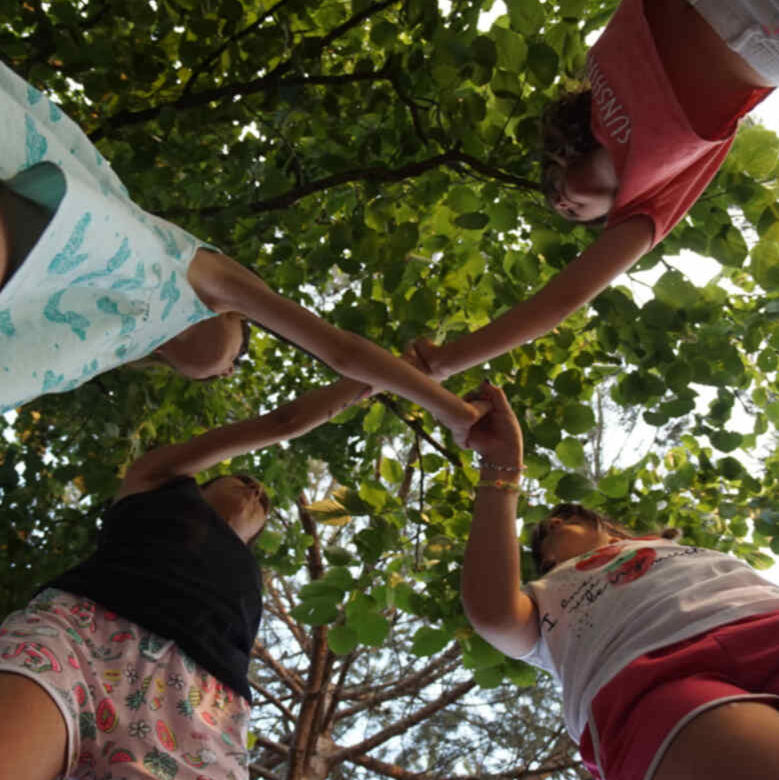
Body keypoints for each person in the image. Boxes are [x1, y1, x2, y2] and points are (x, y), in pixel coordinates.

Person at [0, 61, 483, 445]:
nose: (230, 369)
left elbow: (291, 421)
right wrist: (453, 411)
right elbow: (342, 352)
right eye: (239, 351)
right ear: (234, 312)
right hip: (36, 235)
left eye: (222, 375)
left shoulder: (113, 346)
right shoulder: (203, 280)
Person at [0, 374, 374, 780]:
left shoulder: (250, 577)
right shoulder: (152, 483)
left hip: (200, 703)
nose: (255, 490)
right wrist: (375, 379)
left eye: (264, 503)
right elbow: (283, 422)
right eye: (244, 480)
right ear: (201, 485)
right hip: (81, 636)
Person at [411, 0, 778, 380]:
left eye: (553, 185)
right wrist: (446, 362)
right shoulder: (644, 203)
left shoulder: (594, 100)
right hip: (760, 33)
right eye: (572, 213)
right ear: (608, 213)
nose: (560, 201)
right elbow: (559, 302)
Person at [459, 381, 779, 780]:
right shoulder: (544, 597)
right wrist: (501, 467)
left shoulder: (665, 545)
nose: (554, 522)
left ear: (611, 530)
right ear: (549, 562)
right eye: (545, 539)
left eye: (567, 518)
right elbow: (495, 616)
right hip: (648, 678)